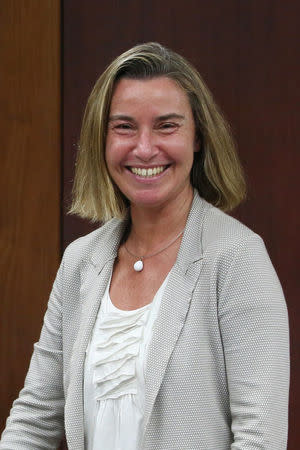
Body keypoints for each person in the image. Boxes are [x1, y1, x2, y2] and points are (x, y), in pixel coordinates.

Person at [0, 42, 289, 450]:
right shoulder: (80, 262)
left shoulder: (238, 258)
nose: (145, 148)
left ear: (199, 138)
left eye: (167, 126)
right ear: (101, 140)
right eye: (124, 127)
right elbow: (33, 420)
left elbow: (261, 439)